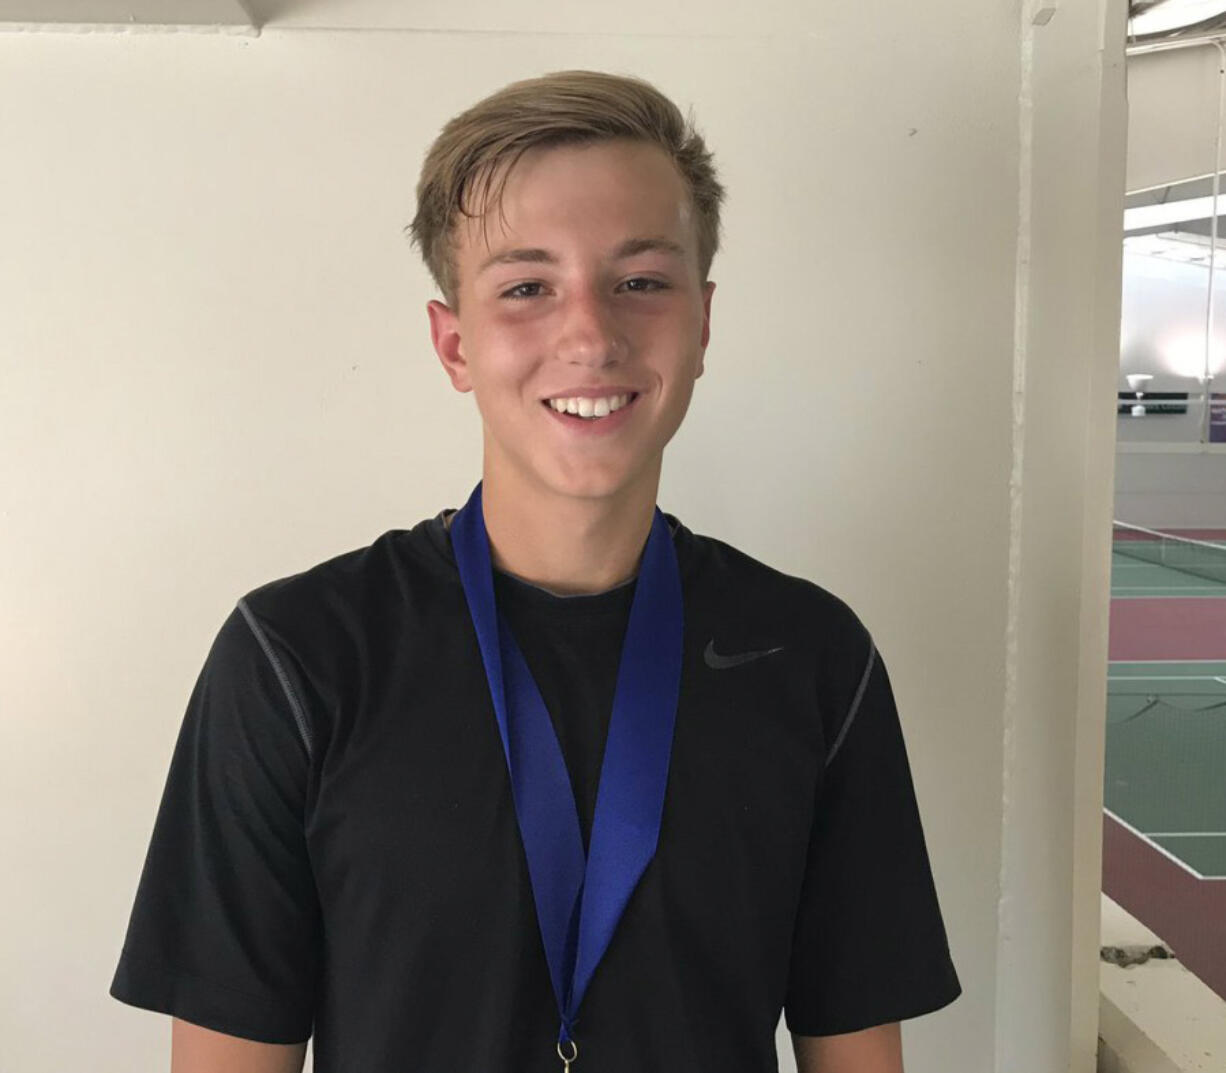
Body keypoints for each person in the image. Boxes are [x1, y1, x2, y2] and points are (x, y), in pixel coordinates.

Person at [110, 69, 961, 1073]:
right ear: (454, 342)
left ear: (701, 322)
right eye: (525, 287)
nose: (590, 334)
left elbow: (855, 1049)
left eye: (640, 280)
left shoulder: (812, 654)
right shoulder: (298, 655)